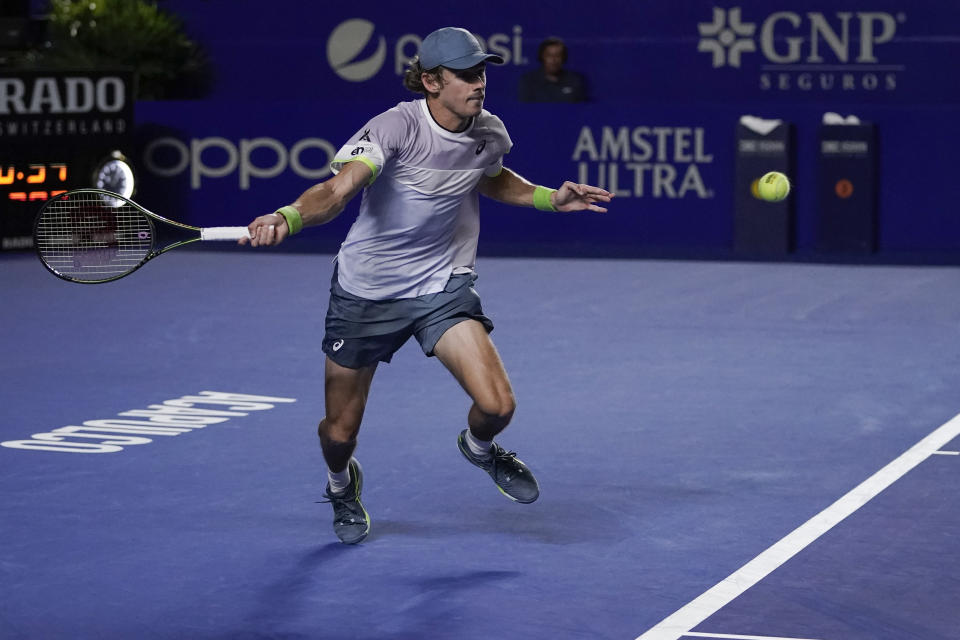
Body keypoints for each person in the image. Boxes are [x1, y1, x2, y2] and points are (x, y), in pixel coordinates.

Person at [241, 26, 612, 545]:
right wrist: (289, 216)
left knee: (498, 406)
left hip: (441, 284)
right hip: (366, 292)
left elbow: (490, 175)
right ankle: (340, 483)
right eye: (466, 75)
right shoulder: (395, 127)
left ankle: (480, 449)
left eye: (481, 72)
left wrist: (552, 198)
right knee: (340, 433)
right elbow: (337, 189)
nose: (479, 83)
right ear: (432, 81)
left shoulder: (489, 130)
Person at [518, 37, 587, 103]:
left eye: (558, 55)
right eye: (549, 55)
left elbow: (582, 111)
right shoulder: (528, 82)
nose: (553, 60)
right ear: (541, 57)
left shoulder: (574, 81)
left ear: (564, 58)